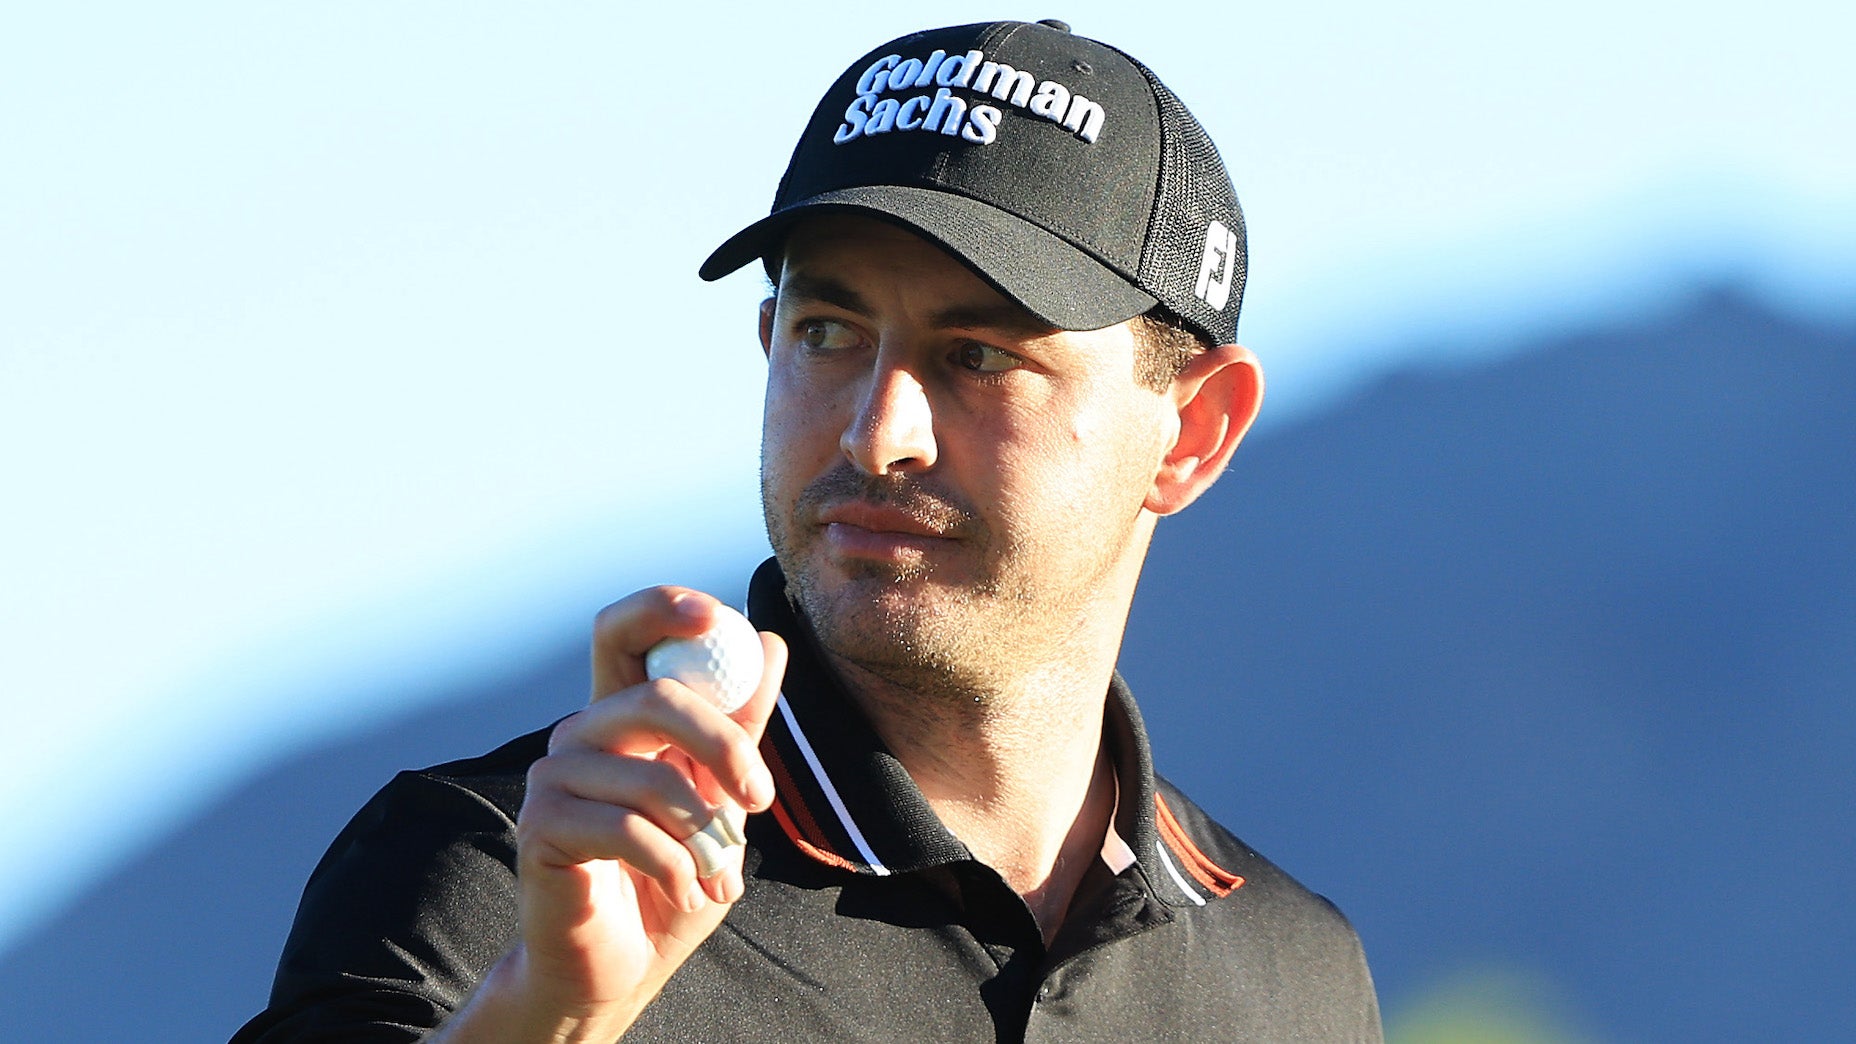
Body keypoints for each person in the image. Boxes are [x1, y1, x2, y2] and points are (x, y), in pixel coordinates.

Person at [234, 18, 1381, 1043]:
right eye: (827, 333)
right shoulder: (507, 879)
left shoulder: (1294, 982)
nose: (877, 433)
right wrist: (552, 1016)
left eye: (978, 355)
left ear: (1191, 434)